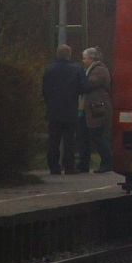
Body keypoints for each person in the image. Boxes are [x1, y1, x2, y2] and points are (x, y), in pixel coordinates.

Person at [41, 44, 86, 175]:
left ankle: (53, 166)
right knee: (69, 139)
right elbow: (84, 86)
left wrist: (49, 101)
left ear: (57, 54)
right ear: (69, 55)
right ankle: (69, 166)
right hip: (70, 108)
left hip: (53, 108)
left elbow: (44, 89)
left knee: (53, 139)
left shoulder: (49, 69)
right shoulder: (76, 69)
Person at [77, 47, 113, 173]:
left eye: (85, 58)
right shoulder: (92, 70)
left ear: (92, 58)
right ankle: (83, 163)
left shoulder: (99, 70)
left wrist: (79, 80)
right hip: (88, 110)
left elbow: (88, 85)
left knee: (98, 136)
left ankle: (107, 162)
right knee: (84, 136)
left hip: (96, 110)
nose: (83, 61)